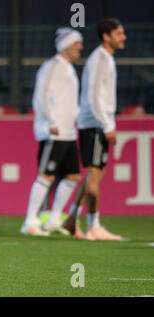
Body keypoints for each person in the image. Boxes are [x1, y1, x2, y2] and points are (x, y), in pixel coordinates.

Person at [62, 18, 126, 241]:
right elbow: (93, 96)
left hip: (96, 123)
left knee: (95, 174)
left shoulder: (105, 58)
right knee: (94, 174)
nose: (123, 37)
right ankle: (93, 225)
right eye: (119, 34)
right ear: (107, 36)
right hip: (94, 124)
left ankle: (71, 218)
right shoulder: (100, 59)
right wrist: (107, 125)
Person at [20, 28, 83, 236]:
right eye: (76, 44)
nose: (80, 48)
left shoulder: (67, 68)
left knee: (73, 176)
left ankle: (54, 218)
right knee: (46, 175)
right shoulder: (53, 66)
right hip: (54, 131)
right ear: (65, 45)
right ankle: (29, 221)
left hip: (68, 131)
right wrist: (50, 121)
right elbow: (41, 95)